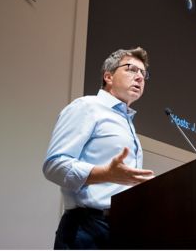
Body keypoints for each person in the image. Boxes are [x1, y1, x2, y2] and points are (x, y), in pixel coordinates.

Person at [43, 47, 155, 249]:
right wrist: (105, 173)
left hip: (123, 230)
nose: (139, 77)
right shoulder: (87, 107)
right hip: (86, 230)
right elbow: (54, 165)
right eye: (131, 69)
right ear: (108, 76)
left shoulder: (127, 122)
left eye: (143, 73)